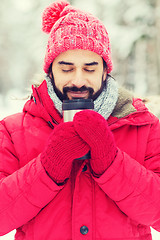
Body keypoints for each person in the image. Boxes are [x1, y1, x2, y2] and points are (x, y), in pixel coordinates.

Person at [0, 1, 160, 239]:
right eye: (66, 68)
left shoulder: (142, 126)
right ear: (50, 70)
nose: (78, 80)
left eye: (89, 68)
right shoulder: (14, 131)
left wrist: (112, 162)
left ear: (105, 70)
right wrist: (47, 168)